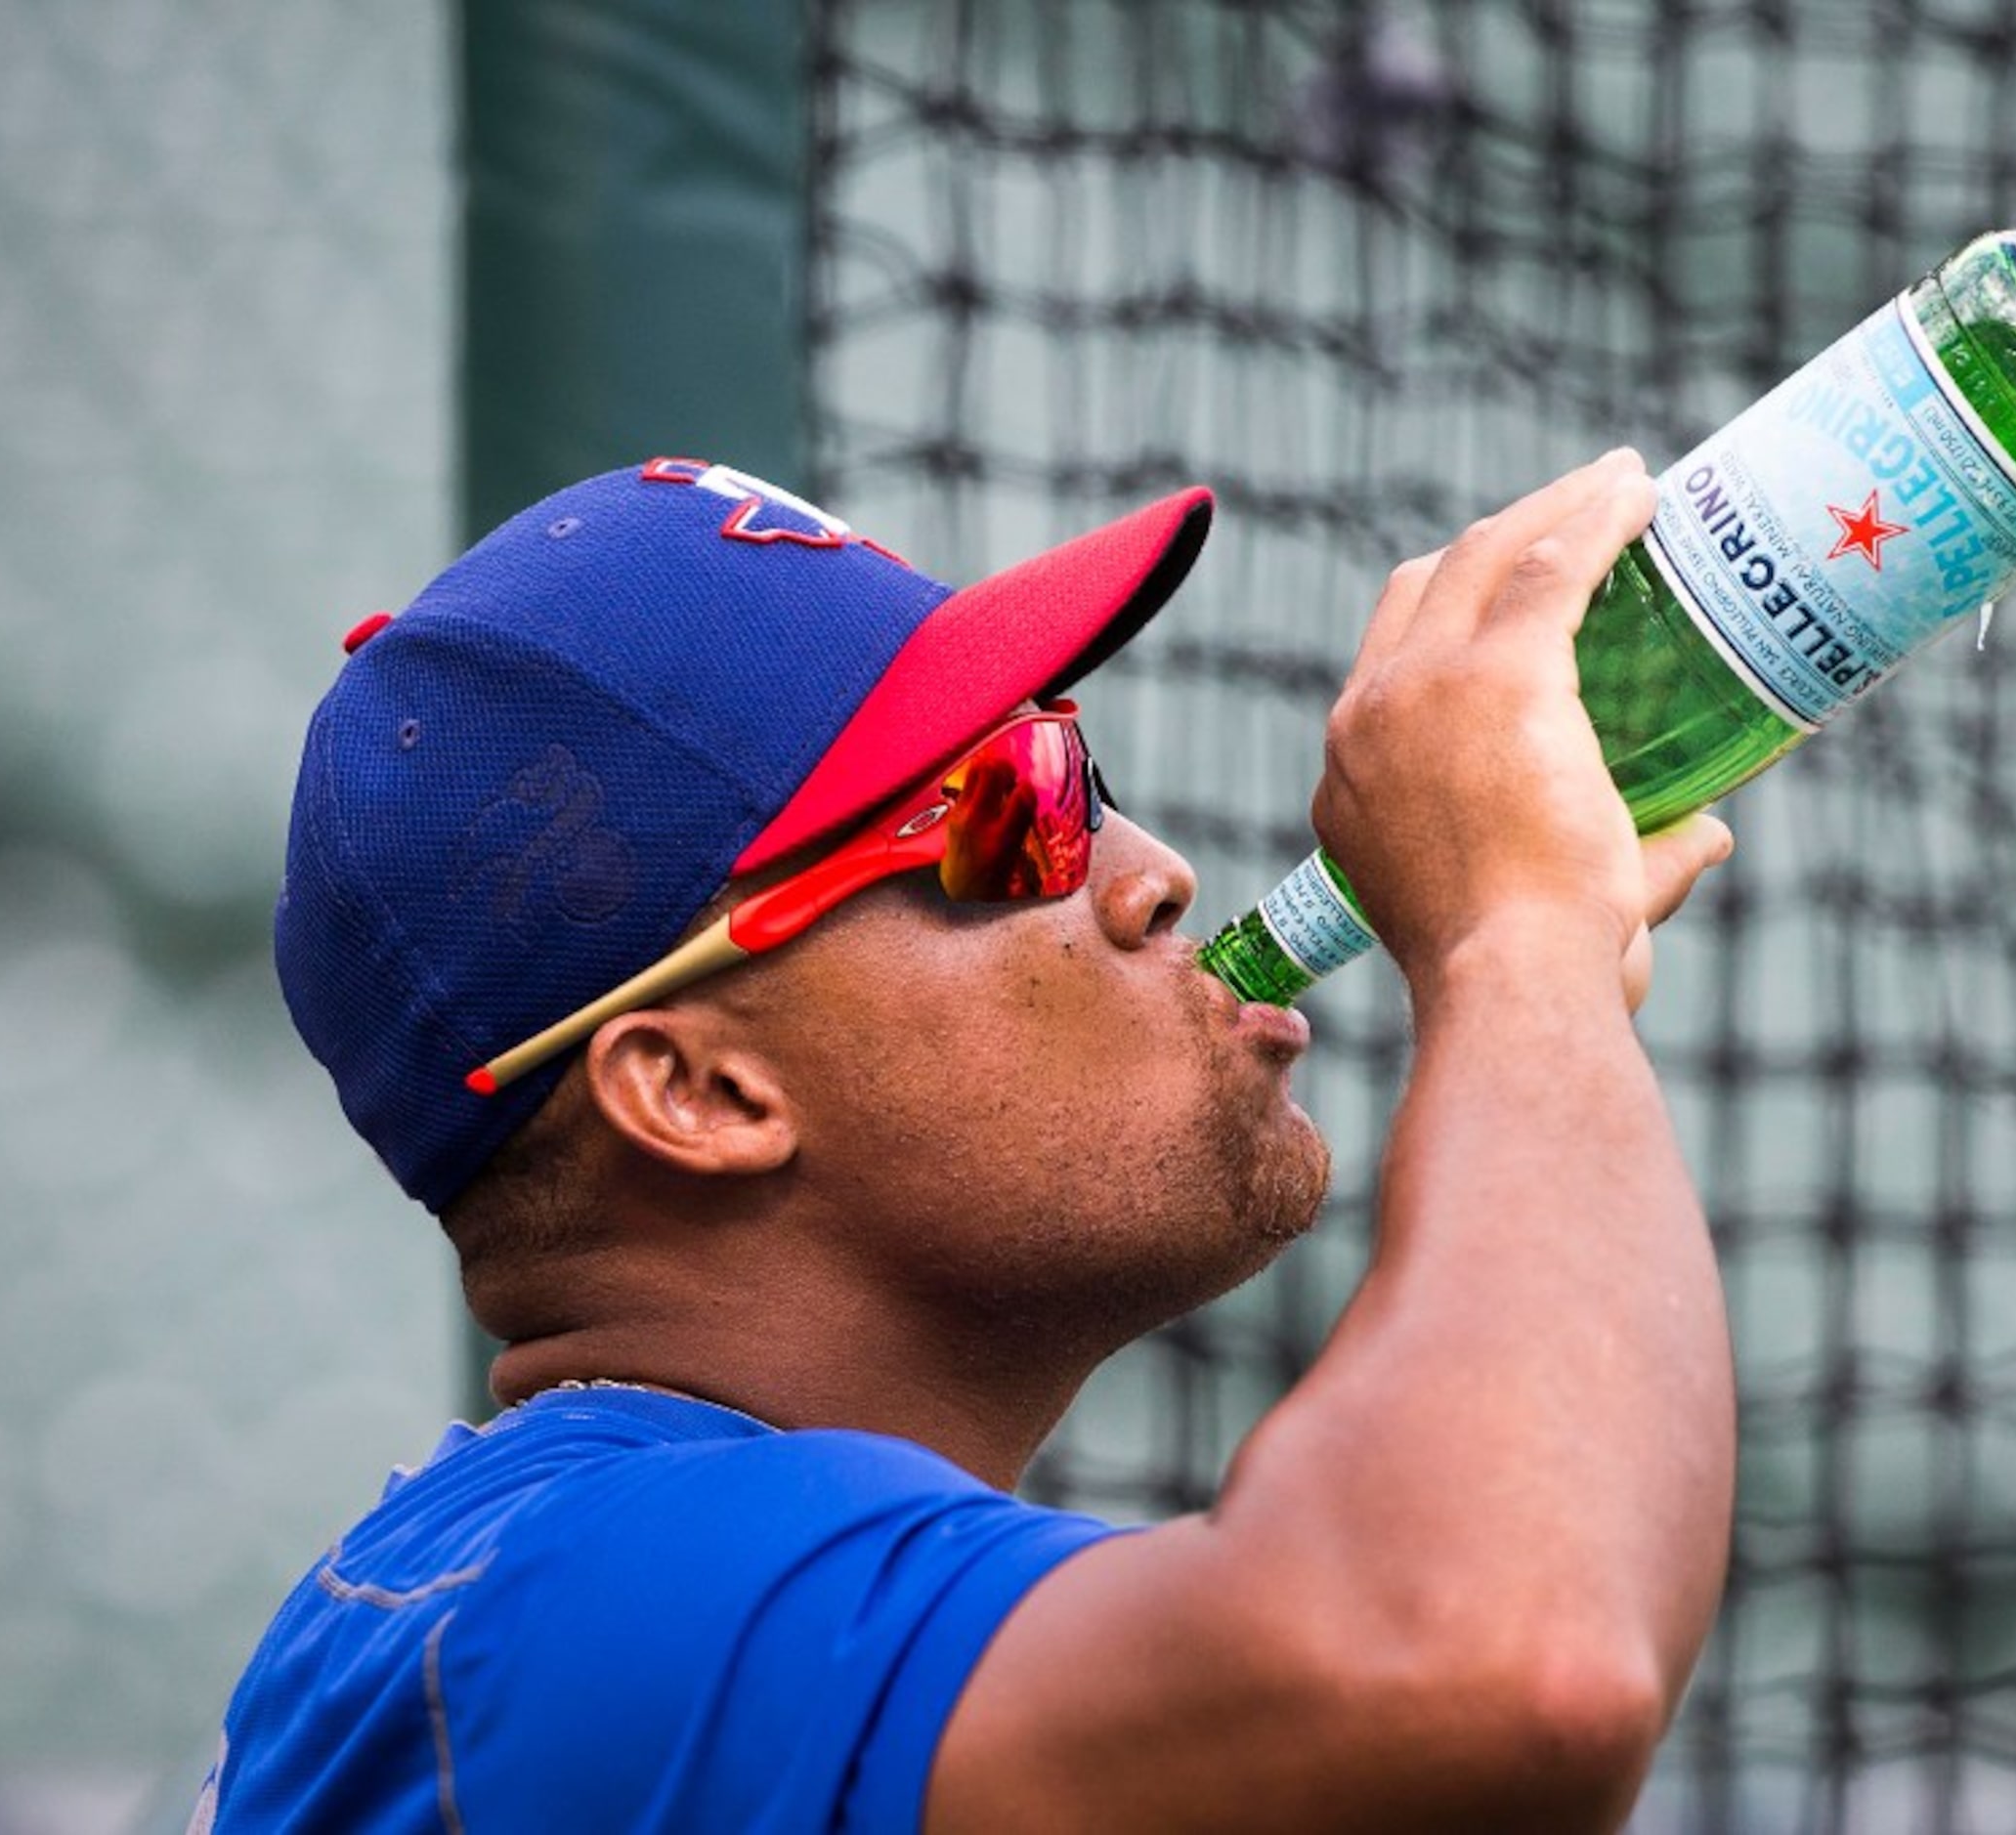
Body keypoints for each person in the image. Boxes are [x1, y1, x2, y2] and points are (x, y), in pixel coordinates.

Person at [202, 448, 1738, 1832]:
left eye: (1083, 761)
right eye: (1013, 809)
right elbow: (1500, 1664)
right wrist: (1517, 940)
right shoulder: (588, 1598)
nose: (1153, 876)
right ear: (700, 1091)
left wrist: (1526, 972)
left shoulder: (588, 1594)